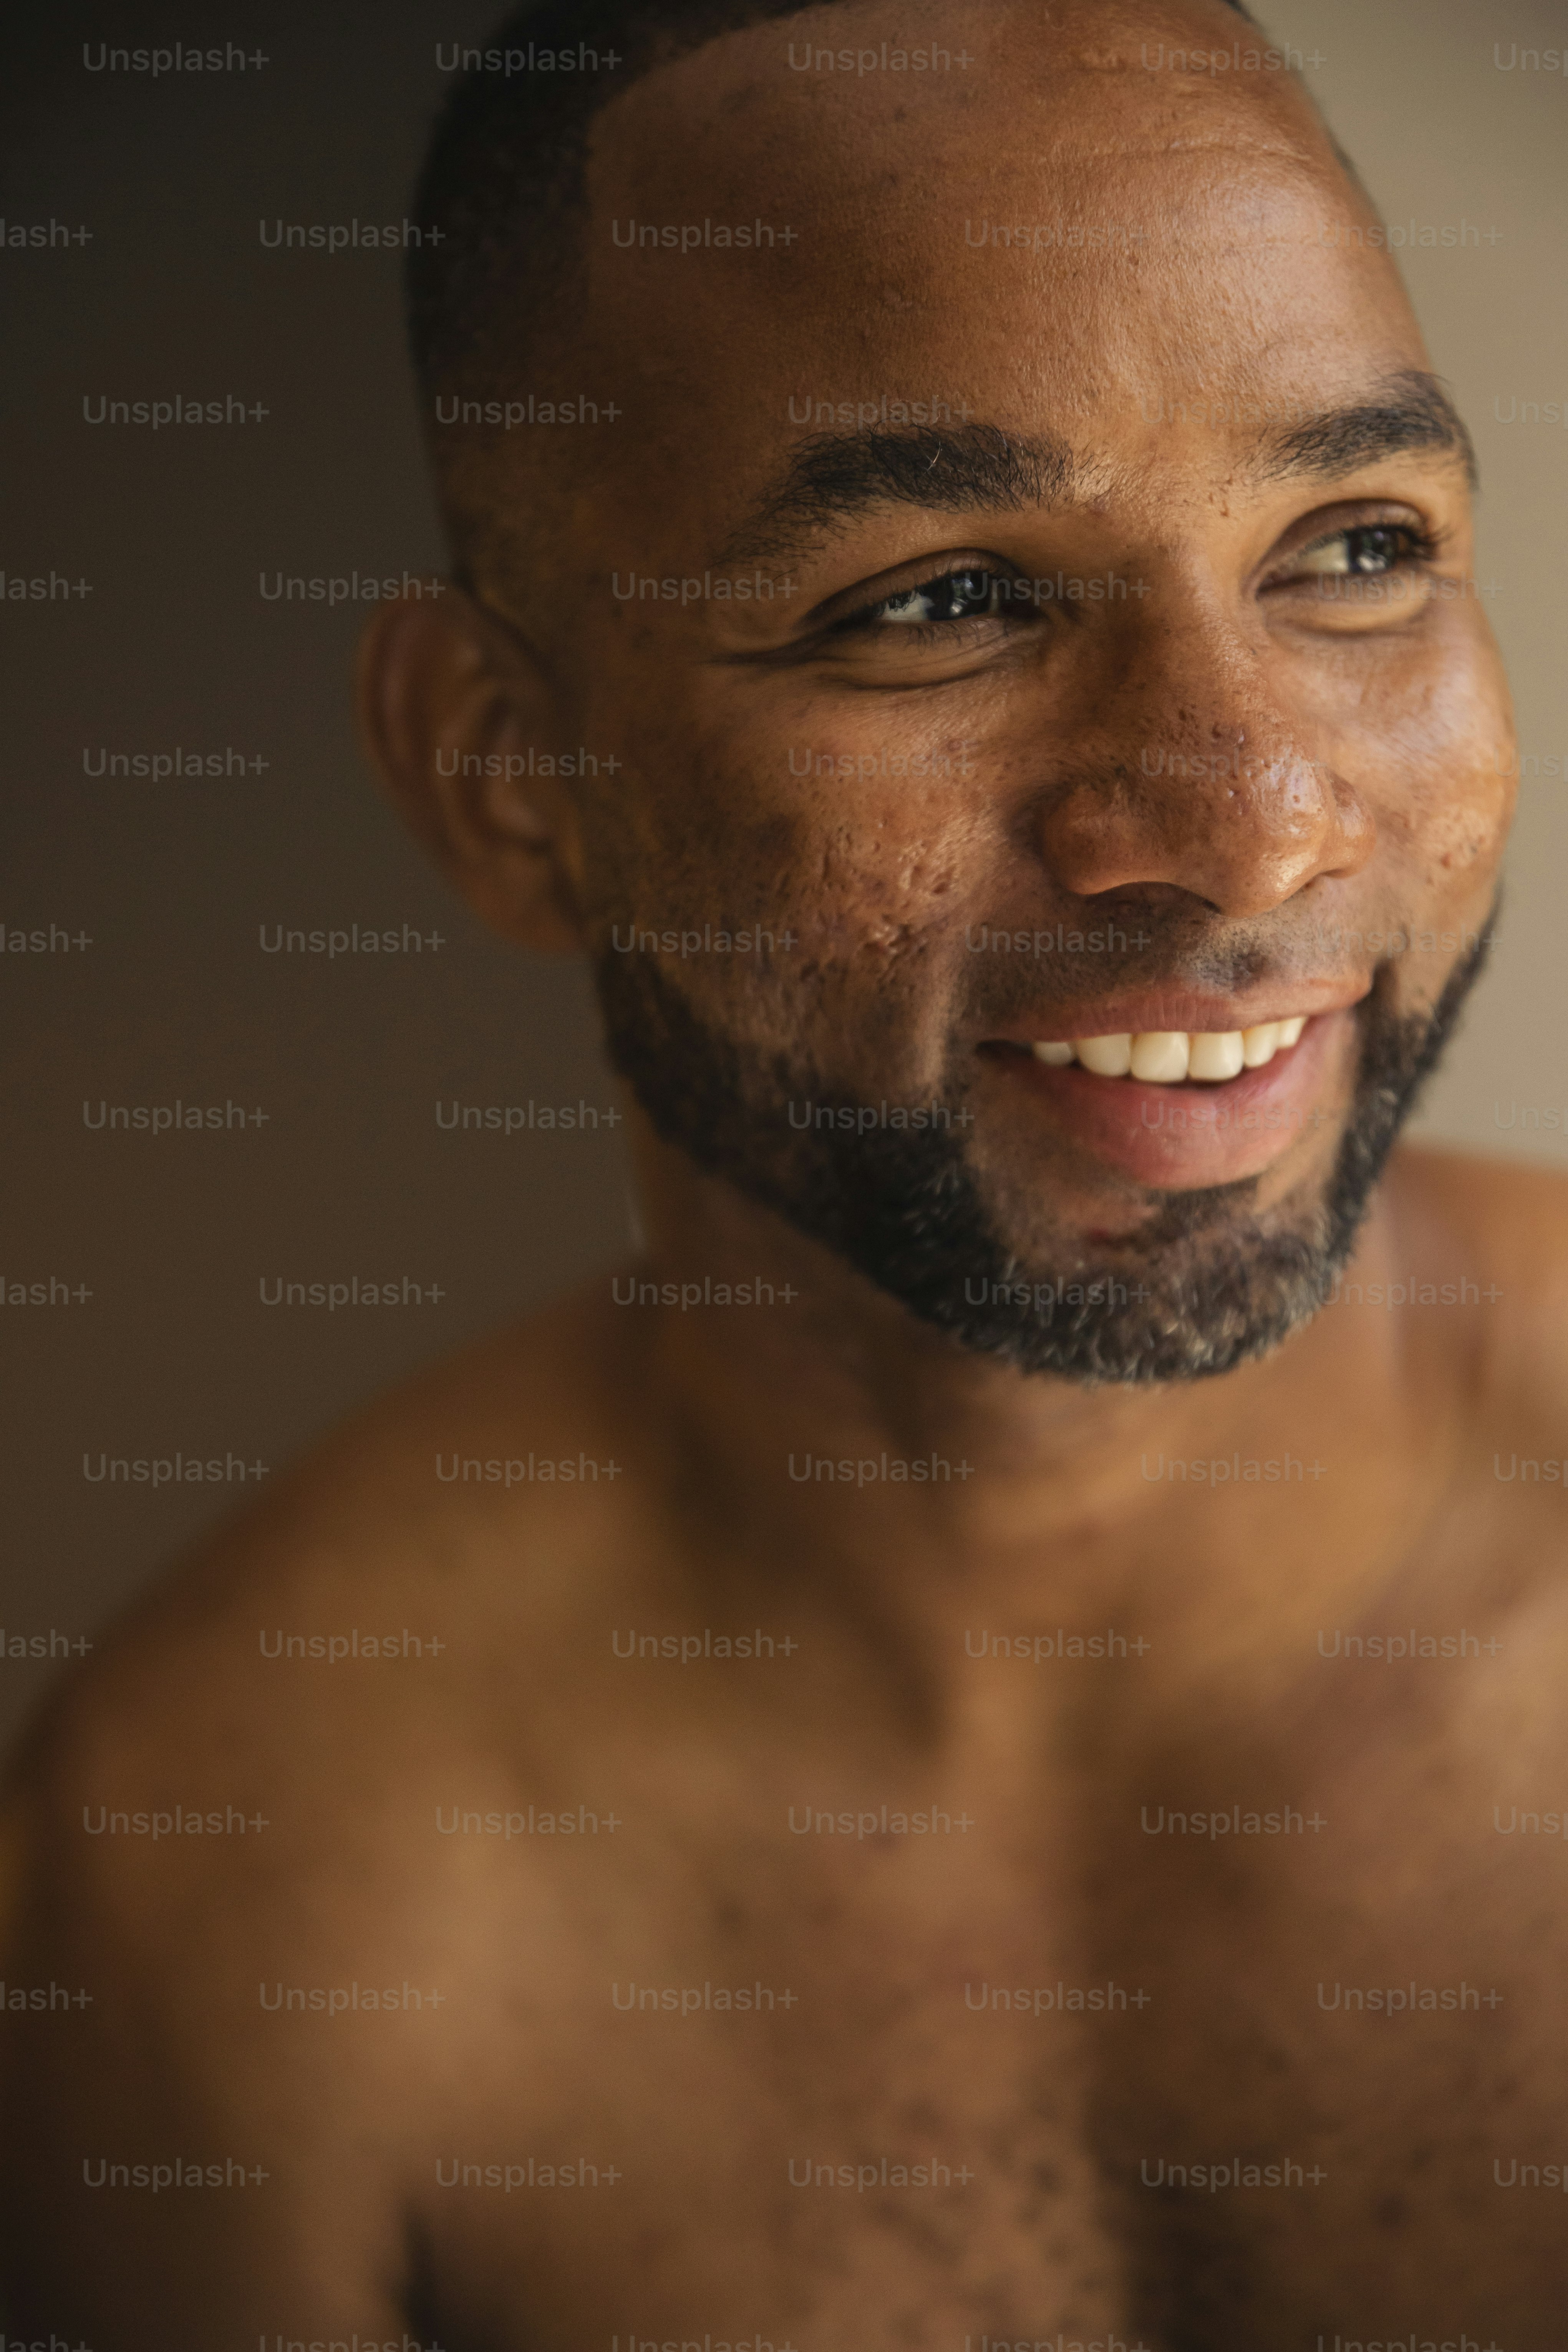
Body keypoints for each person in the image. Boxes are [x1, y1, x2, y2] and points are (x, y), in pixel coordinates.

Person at [3, 0, 1559, 2342]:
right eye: (939, 598)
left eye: (1351, 546)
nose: (1253, 816)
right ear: (504, 775)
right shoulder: (216, 1896)